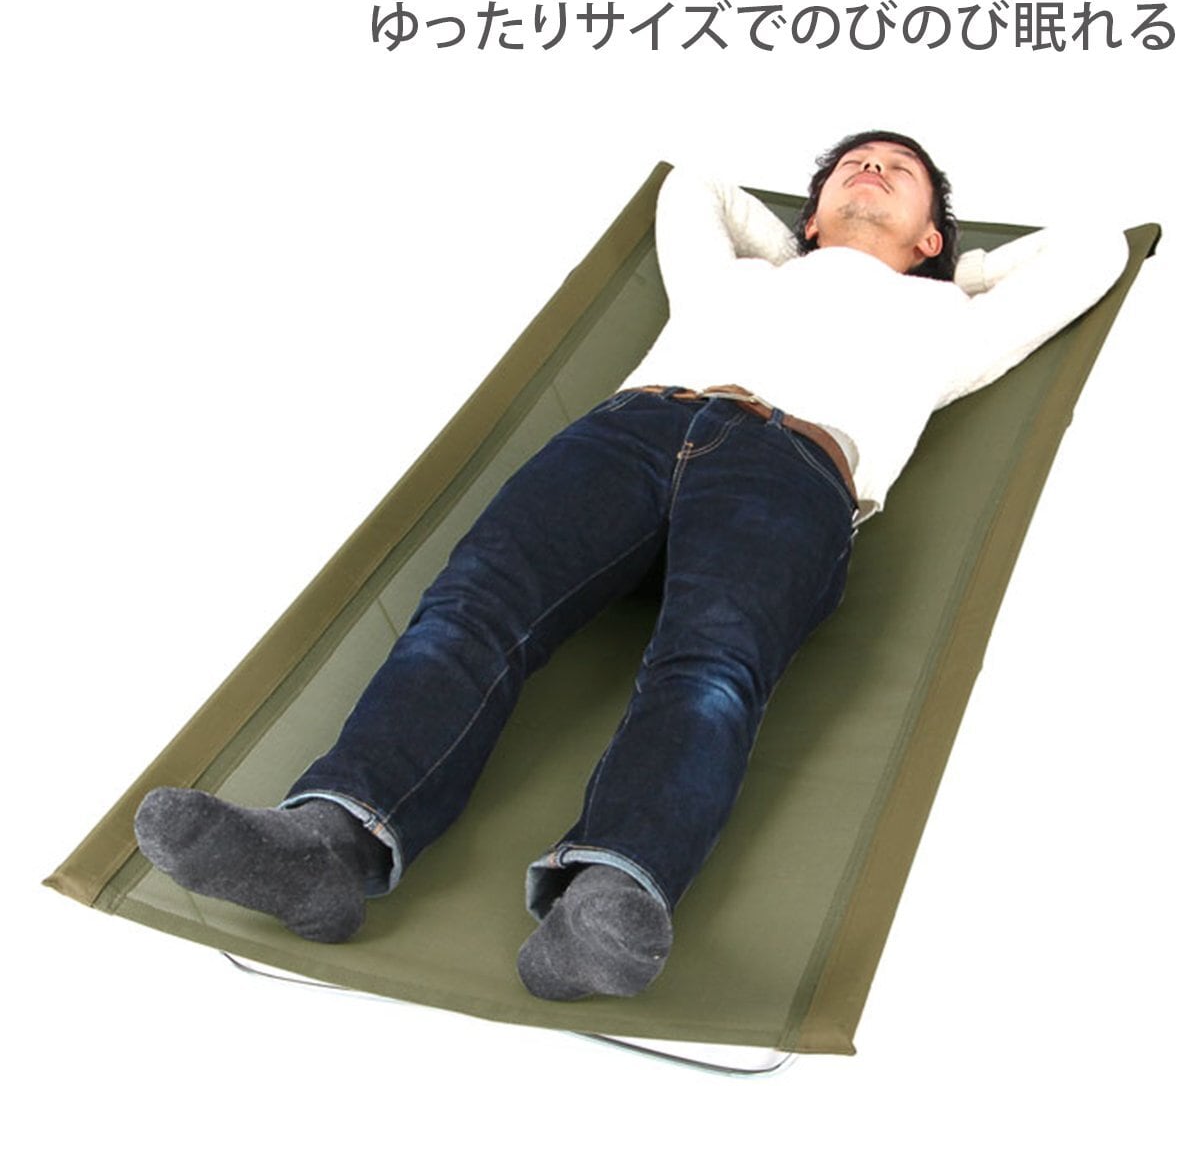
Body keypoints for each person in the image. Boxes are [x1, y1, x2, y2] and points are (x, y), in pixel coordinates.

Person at [134, 131, 1130, 1002]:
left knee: (712, 670)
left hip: (793, 467)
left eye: (897, 172)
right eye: (850, 167)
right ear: (810, 213)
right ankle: (327, 845)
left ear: (932, 236)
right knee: (467, 611)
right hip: (630, 432)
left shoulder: (954, 322)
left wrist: (958, 269)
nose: (870, 169)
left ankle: (611, 895)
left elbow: (1096, 250)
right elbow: (695, 184)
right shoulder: (733, 281)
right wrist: (802, 248)